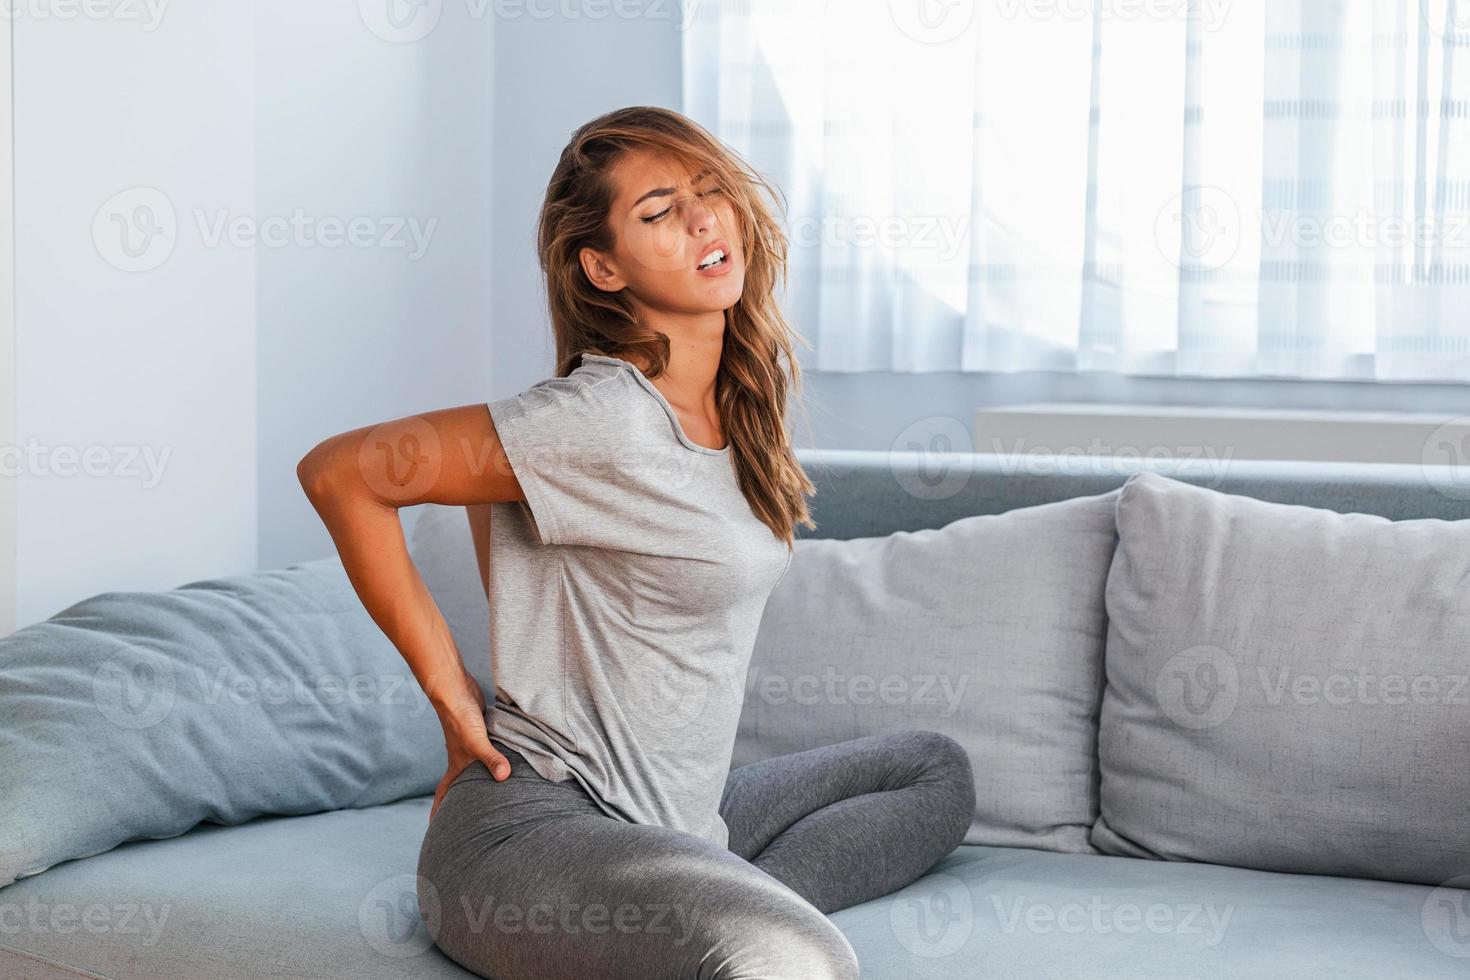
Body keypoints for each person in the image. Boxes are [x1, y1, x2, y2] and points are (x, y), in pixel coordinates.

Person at [297, 105, 975, 980]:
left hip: (677, 821)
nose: (702, 219)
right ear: (602, 268)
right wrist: (456, 706)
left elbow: (499, 514)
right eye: (658, 212)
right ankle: (723, 914)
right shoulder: (601, 418)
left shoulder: (736, 413)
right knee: (785, 954)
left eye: (709, 192)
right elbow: (338, 472)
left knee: (932, 771)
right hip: (533, 834)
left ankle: (704, 898)